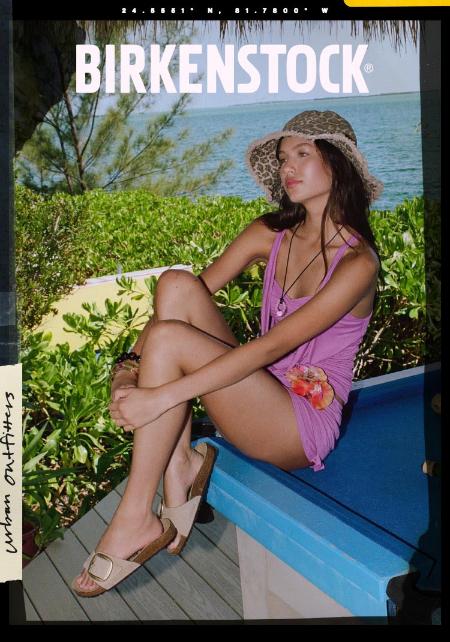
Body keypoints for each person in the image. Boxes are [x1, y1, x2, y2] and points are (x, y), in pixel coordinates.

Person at [72, 109, 382, 597]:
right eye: (283, 157)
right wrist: (126, 369)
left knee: (170, 339)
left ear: (337, 164)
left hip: (298, 425)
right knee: (176, 285)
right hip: (257, 391)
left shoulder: (358, 263)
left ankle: (135, 517)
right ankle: (178, 463)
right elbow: (187, 298)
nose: (288, 167)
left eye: (303, 154)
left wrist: (161, 397)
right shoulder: (270, 234)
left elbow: (272, 346)